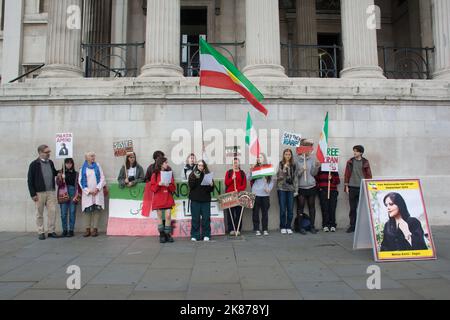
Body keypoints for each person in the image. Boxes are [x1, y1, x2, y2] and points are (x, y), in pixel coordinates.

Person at [27, 144, 61, 240]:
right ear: (40, 153)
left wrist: (59, 172)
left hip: (50, 191)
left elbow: (54, 172)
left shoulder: (50, 162)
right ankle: (41, 231)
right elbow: (30, 180)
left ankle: (51, 231)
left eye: (49, 152)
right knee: (39, 213)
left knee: (52, 212)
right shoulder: (34, 164)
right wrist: (33, 194)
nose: (48, 154)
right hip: (39, 193)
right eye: (46, 152)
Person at [344, 145, 372, 233]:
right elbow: (346, 174)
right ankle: (352, 225)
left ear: (361, 152)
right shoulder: (350, 161)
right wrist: (346, 186)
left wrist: (368, 186)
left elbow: (369, 175)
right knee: (353, 208)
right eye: (354, 151)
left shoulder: (365, 162)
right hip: (352, 187)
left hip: (362, 187)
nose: (354, 152)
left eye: (356, 151)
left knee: (362, 208)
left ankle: (362, 227)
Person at [79, 152, 106, 237]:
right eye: (91, 156)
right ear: (86, 158)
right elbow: (80, 181)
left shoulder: (98, 166)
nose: (93, 157)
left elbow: (102, 178)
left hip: (97, 192)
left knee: (96, 210)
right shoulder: (82, 168)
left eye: (94, 155)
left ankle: (95, 229)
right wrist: (89, 191)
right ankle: (87, 229)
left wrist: (97, 188)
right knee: (87, 211)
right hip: (88, 193)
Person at [296, 139, 321, 235]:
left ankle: (312, 226)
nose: (309, 150)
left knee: (312, 207)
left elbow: (314, 173)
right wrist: (302, 170)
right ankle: (300, 227)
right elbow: (296, 175)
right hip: (301, 187)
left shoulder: (312, 159)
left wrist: (316, 167)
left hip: (311, 186)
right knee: (300, 207)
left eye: (310, 148)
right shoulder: (297, 160)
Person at [150, 157, 176, 243]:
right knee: (160, 216)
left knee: (168, 215)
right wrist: (159, 184)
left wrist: (169, 185)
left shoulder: (169, 173)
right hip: (159, 198)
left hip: (167, 197)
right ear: (161, 164)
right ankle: (161, 234)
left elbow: (173, 188)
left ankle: (168, 234)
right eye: (165, 162)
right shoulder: (155, 174)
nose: (167, 164)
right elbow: (153, 188)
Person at [188, 160, 214, 242]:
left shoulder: (207, 175)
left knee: (206, 218)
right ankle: (195, 235)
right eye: (199, 165)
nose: (200, 167)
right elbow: (191, 186)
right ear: (197, 166)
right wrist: (195, 178)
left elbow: (211, 189)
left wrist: (211, 185)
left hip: (205, 200)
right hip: (195, 199)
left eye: (202, 165)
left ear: (204, 167)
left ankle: (206, 234)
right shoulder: (192, 174)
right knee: (195, 218)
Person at [249, 153, 274, 236]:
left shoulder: (268, 168)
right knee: (255, 212)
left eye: (260, 157)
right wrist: (250, 171)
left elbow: (272, 180)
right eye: (258, 157)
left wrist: (269, 189)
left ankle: (265, 229)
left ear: (264, 158)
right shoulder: (255, 168)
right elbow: (248, 178)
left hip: (265, 194)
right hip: (256, 193)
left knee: (265, 212)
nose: (259, 158)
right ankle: (256, 229)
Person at [276, 149, 298, 235]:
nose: (288, 156)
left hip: (291, 189)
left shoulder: (294, 165)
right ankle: (282, 226)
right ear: (283, 155)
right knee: (282, 209)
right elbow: (279, 177)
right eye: (286, 154)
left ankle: (288, 226)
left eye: (289, 154)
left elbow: (295, 178)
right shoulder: (281, 164)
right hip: (282, 189)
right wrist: (284, 168)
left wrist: (296, 190)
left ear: (291, 155)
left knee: (290, 209)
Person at [56, 158, 79, 237]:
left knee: (72, 212)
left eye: (70, 163)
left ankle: (71, 230)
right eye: (67, 163)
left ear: (72, 164)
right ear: (64, 164)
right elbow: (58, 184)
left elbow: (78, 186)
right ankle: (64, 230)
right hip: (63, 193)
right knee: (63, 213)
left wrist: (77, 195)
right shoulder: (61, 173)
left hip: (73, 192)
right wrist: (61, 178)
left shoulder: (76, 174)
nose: (68, 165)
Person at [224, 158, 247, 236]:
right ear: (232, 164)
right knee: (230, 213)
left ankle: (237, 229)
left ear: (239, 164)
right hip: (230, 195)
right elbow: (226, 183)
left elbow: (244, 185)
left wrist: (238, 189)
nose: (235, 164)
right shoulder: (229, 172)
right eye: (234, 163)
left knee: (239, 212)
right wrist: (232, 179)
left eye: (237, 162)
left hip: (239, 195)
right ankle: (231, 229)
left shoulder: (242, 173)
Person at [316, 168, 340, 233]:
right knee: (324, 208)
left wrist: (331, 178)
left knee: (332, 208)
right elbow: (316, 180)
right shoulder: (320, 169)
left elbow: (338, 181)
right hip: (323, 191)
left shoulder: (334, 170)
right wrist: (319, 188)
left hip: (333, 191)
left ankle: (333, 225)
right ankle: (325, 225)